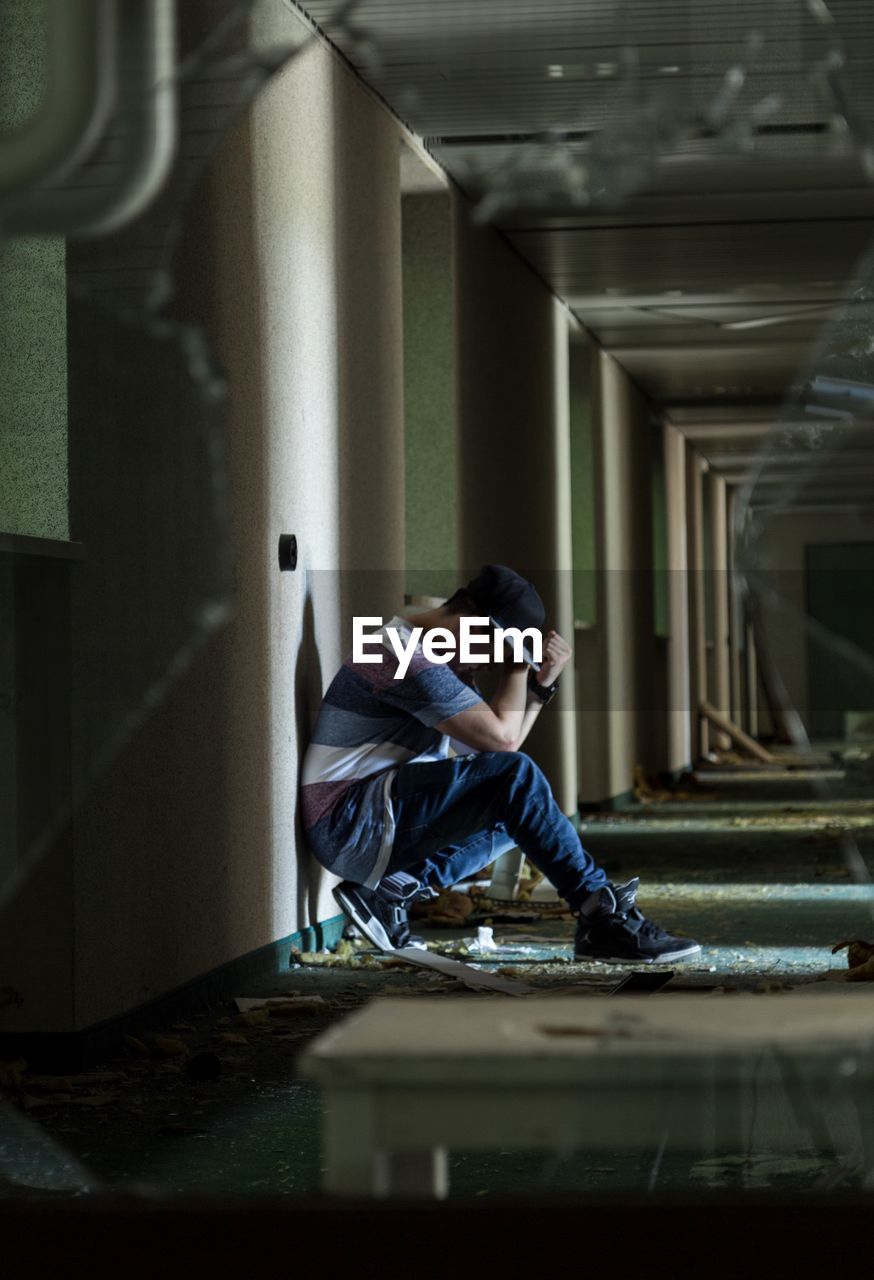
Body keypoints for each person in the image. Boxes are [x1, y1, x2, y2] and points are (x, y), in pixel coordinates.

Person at [300, 565, 700, 964]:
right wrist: (518, 666)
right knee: (518, 784)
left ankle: (391, 887)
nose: (486, 662)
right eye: (493, 648)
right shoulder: (402, 653)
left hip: (368, 820)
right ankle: (602, 915)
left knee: (523, 816)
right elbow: (505, 746)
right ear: (473, 622)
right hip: (348, 821)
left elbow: (499, 752)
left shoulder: (435, 657)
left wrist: (540, 689)